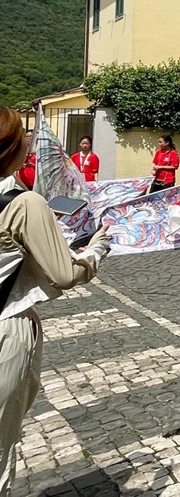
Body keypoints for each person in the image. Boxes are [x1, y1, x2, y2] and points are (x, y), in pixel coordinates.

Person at [0, 107, 111, 493]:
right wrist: (95, 252)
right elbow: (64, 274)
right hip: (6, 327)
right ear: (11, 148)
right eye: (23, 136)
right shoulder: (26, 203)